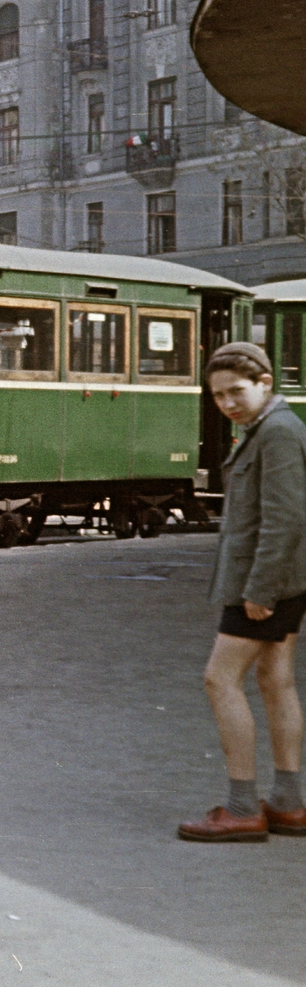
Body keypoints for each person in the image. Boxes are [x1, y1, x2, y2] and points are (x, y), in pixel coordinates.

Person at [179, 342, 306, 842]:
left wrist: (261, 590)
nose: (228, 403)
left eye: (236, 391)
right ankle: (289, 802)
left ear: (265, 384)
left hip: (266, 581)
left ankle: (241, 807)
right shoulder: (269, 429)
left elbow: (286, 519)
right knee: (276, 679)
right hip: (277, 578)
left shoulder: (277, 433)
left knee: (219, 679)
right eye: (218, 396)